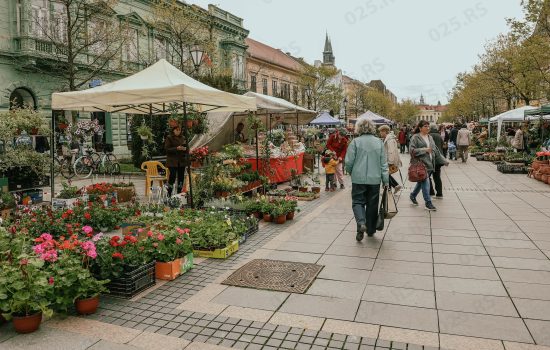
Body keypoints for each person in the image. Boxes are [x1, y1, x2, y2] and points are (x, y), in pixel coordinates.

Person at [345, 119, 389, 240]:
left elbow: (348, 161)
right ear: (372, 128)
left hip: (358, 178)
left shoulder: (355, 142)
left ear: (359, 128)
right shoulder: (379, 143)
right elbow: (383, 164)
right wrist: (386, 180)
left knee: (358, 201)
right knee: (372, 204)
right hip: (374, 179)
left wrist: (350, 171)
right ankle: (370, 229)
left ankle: (361, 223)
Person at [409, 120, 448, 211]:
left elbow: (435, 150)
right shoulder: (415, 137)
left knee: (421, 182)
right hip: (421, 164)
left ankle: (413, 195)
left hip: (431, 164)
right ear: (420, 128)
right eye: (425, 126)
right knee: (425, 182)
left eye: (428, 126)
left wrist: (443, 160)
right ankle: (428, 202)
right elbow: (412, 151)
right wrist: (424, 150)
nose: (427, 128)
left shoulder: (430, 137)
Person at [379, 125, 402, 193]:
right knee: (386, 174)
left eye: (381, 132)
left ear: (384, 131)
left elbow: (391, 151)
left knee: (384, 174)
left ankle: (395, 186)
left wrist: (390, 162)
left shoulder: (390, 140)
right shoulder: (388, 139)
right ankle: (391, 187)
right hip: (387, 160)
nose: (380, 133)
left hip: (389, 160)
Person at [165, 126, 187, 197]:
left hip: (181, 161)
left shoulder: (183, 138)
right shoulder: (169, 137)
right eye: (177, 130)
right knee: (172, 176)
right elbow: (167, 149)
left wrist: (185, 149)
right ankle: (169, 193)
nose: (178, 131)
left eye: (179, 130)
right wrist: (176, 148)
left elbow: (186, 147)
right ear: (173, 130)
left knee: (181, 178)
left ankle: (179, 193)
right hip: (172, 161)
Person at [429, 123, 445, 198]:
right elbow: (442, 145)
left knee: (427, 176)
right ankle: (439, 193)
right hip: (438, 158)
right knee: (437, 176)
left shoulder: (429, 135)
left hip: (431, 158)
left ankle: (431, 191)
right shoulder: (439, 135)